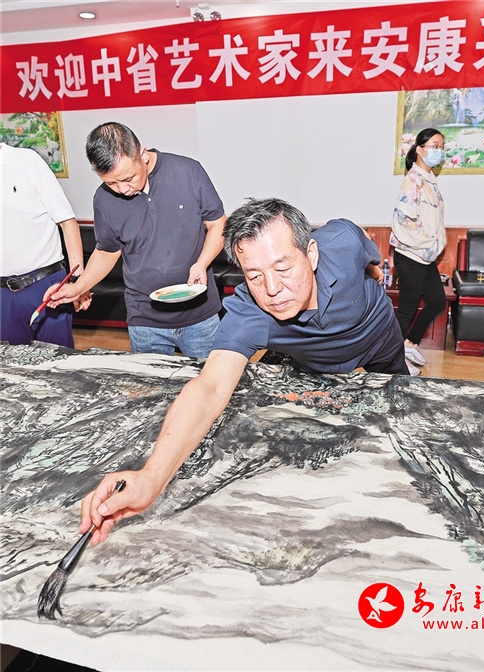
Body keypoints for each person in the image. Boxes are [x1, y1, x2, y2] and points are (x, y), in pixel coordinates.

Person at [78, 197, 409, 545]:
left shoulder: (341, 242)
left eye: (283, 268)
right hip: (317, 365)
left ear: (311, 254)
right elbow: (209, 390)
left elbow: (362, 241)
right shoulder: (249, 314)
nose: (272, 289)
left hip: (379, 338)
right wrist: (151, 478)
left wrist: (372, 271)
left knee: (403, 406)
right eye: (255, 276)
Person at [45, 122, 227, 358]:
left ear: (143, 154)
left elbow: (218, 224)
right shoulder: (103, 199)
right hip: (144, 320)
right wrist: (79, 286)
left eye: (128, 178)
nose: (122, 189)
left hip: (199, 315)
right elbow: (107, 251)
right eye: (111, 182)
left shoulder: (187, 172)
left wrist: (201, 264)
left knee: (211, 378)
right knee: (149, 381)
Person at [0, 142, 90, 348]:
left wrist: (78, 283)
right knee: (11, 365)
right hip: (3, 296)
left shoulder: (27, 161)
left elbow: (68, 223)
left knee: (59, 361)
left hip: (46, 286)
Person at [391, 128, 447, 376]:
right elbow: (403, 220)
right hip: (411, 255)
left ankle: (409, 343)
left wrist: (434, 244)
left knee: (437, 301)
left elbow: (433, 221)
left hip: (425, 255)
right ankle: (394, 360)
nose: (439, 151)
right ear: (419, 149)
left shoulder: (429, 180)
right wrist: (427, 242)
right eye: (434, 146)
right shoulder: (413, 181)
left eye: (442, 147)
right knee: (407, 309)